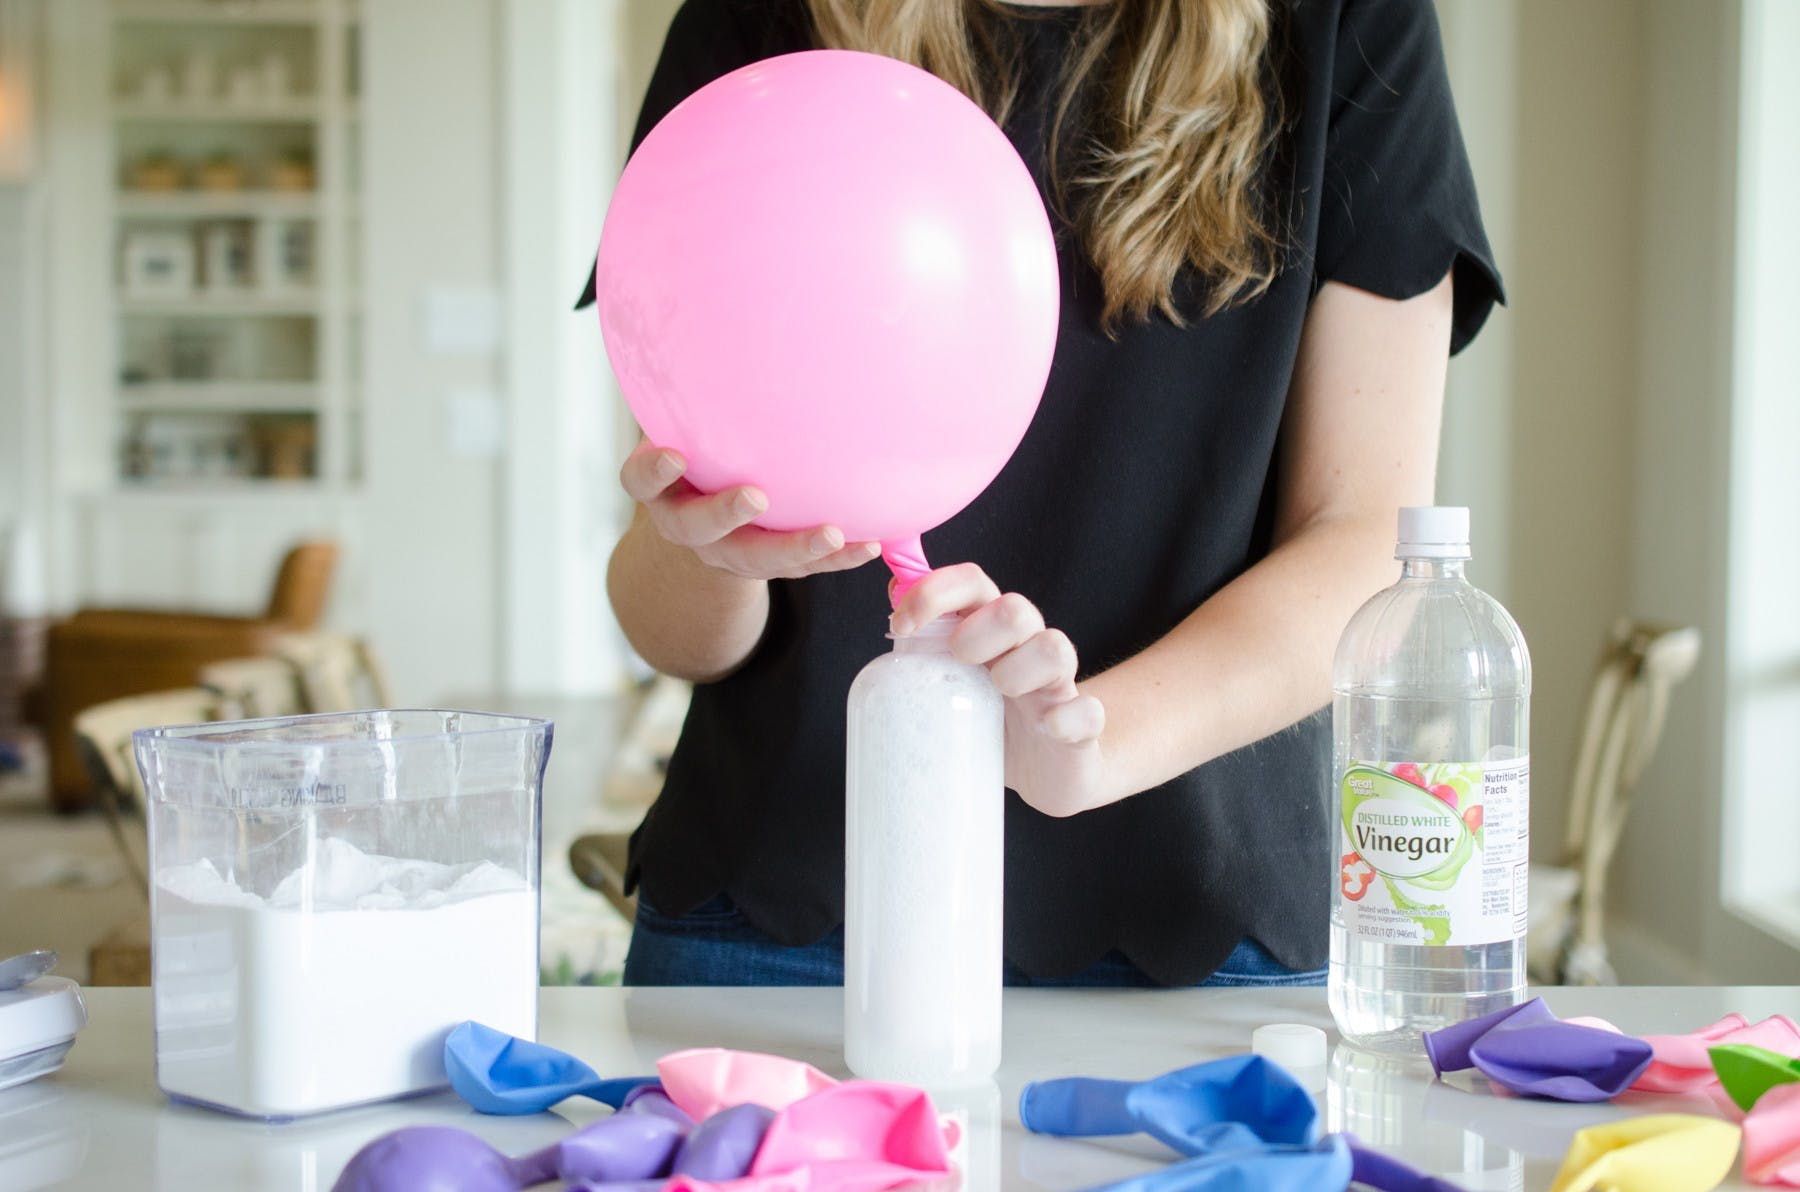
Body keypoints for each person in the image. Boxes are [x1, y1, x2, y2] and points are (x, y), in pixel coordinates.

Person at [579, 0, 1502, 987]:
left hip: (1198, 928)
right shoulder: (765, 17)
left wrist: (1087, 746)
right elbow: (673, 631)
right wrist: (703, 550)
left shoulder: (1350, 20)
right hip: (778, 921)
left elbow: (1364, 542)